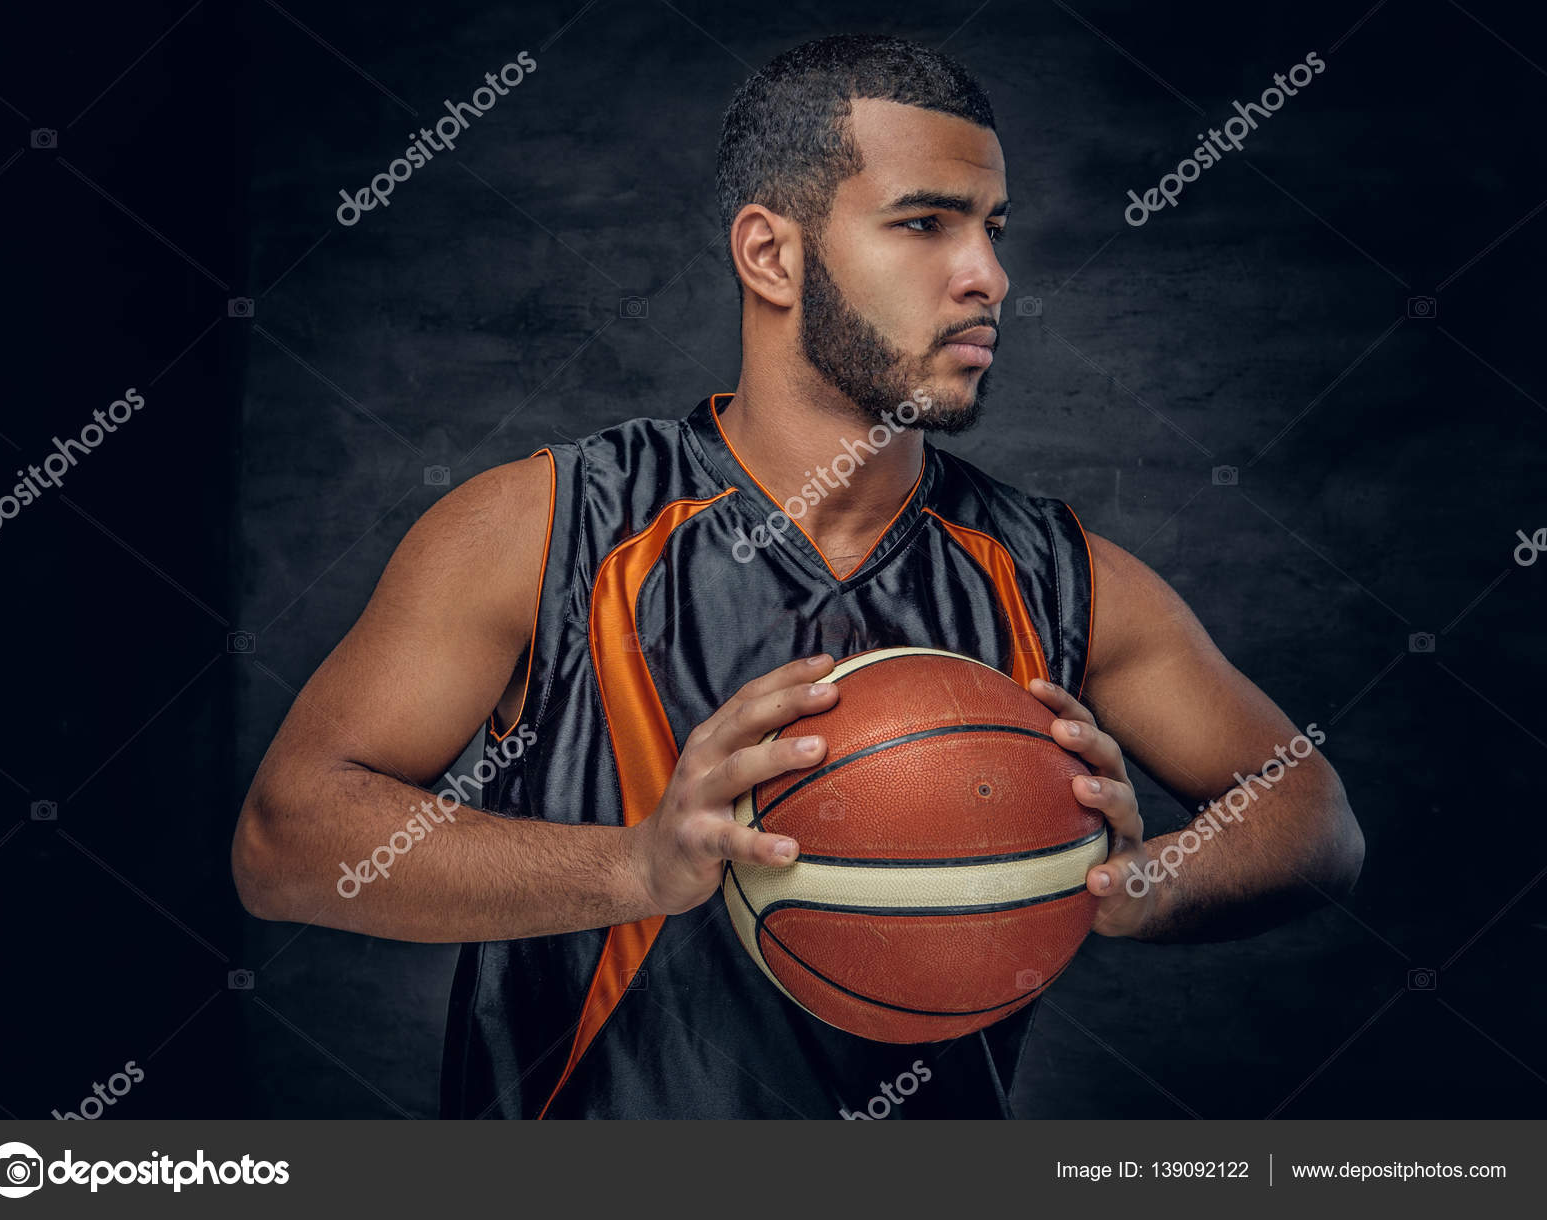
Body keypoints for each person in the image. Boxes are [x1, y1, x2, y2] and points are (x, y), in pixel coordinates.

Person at [232, 34, 1363, 1119]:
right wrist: (633, 866)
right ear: (771, 253)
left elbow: (1313, 820)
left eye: (992, 227)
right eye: (924, 222)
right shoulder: (541, 526)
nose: (987, 274)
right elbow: (285, 840)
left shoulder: (1058, 573)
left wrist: (1138, 882)